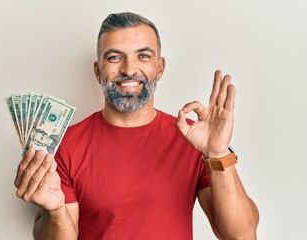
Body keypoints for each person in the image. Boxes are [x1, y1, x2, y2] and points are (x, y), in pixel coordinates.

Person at [14, 12, 259, 240]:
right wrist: (55, 210)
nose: (129, 69)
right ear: (98, 72)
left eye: (143, 55)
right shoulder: (65, 144)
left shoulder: (194, 139)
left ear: (160, 67)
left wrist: (218, 154)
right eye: (114, 57)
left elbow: (241, 236)